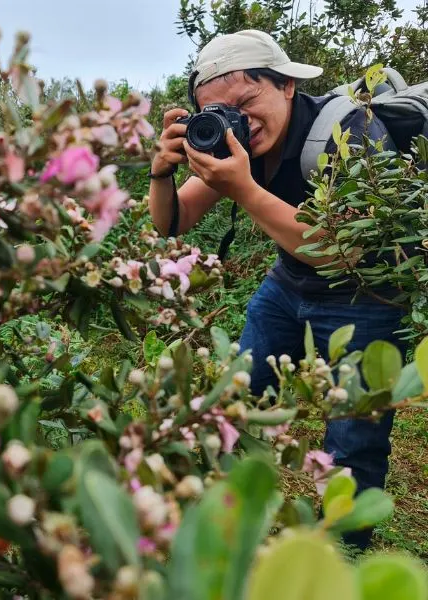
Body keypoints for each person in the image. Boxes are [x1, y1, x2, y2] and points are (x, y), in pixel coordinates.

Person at [148, 29, 408, 550]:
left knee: (353, 435)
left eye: (247, 102)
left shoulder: (352, 132)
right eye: (218, 111)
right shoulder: (238, 143)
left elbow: (342, 253)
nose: (238, 121)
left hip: (366, 297)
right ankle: (224, 511)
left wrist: (242, 188)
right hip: (288, 284)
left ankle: (344, 554)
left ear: (287, 86)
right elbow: (173, 222)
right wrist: (160, 172)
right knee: (239, 396)